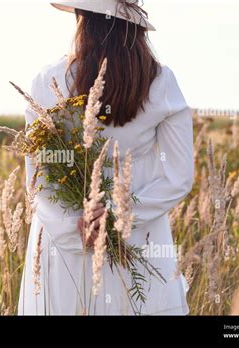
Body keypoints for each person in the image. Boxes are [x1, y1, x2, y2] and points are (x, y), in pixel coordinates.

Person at [18, 0, 193, 315]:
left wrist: (74, 228)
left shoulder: (48, 80)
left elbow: (38, 176)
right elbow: (178, 177)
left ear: (84, 20)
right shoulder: (161, 81)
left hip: (63, 246)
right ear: (134, 26)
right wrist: (118, 216)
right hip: (140, 239)